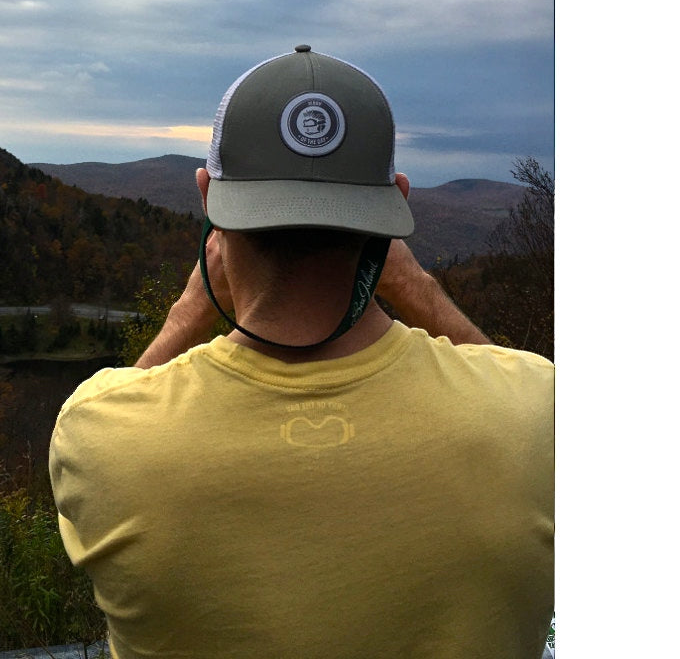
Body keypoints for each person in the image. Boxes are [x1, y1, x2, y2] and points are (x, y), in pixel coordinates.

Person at [49, 45, 554, 658]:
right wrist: (417, 289)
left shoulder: (101, 432)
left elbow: (122, 404)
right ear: (394, 200)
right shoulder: (539, 412)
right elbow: (512, 398)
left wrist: (188, 313)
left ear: (207, 196)